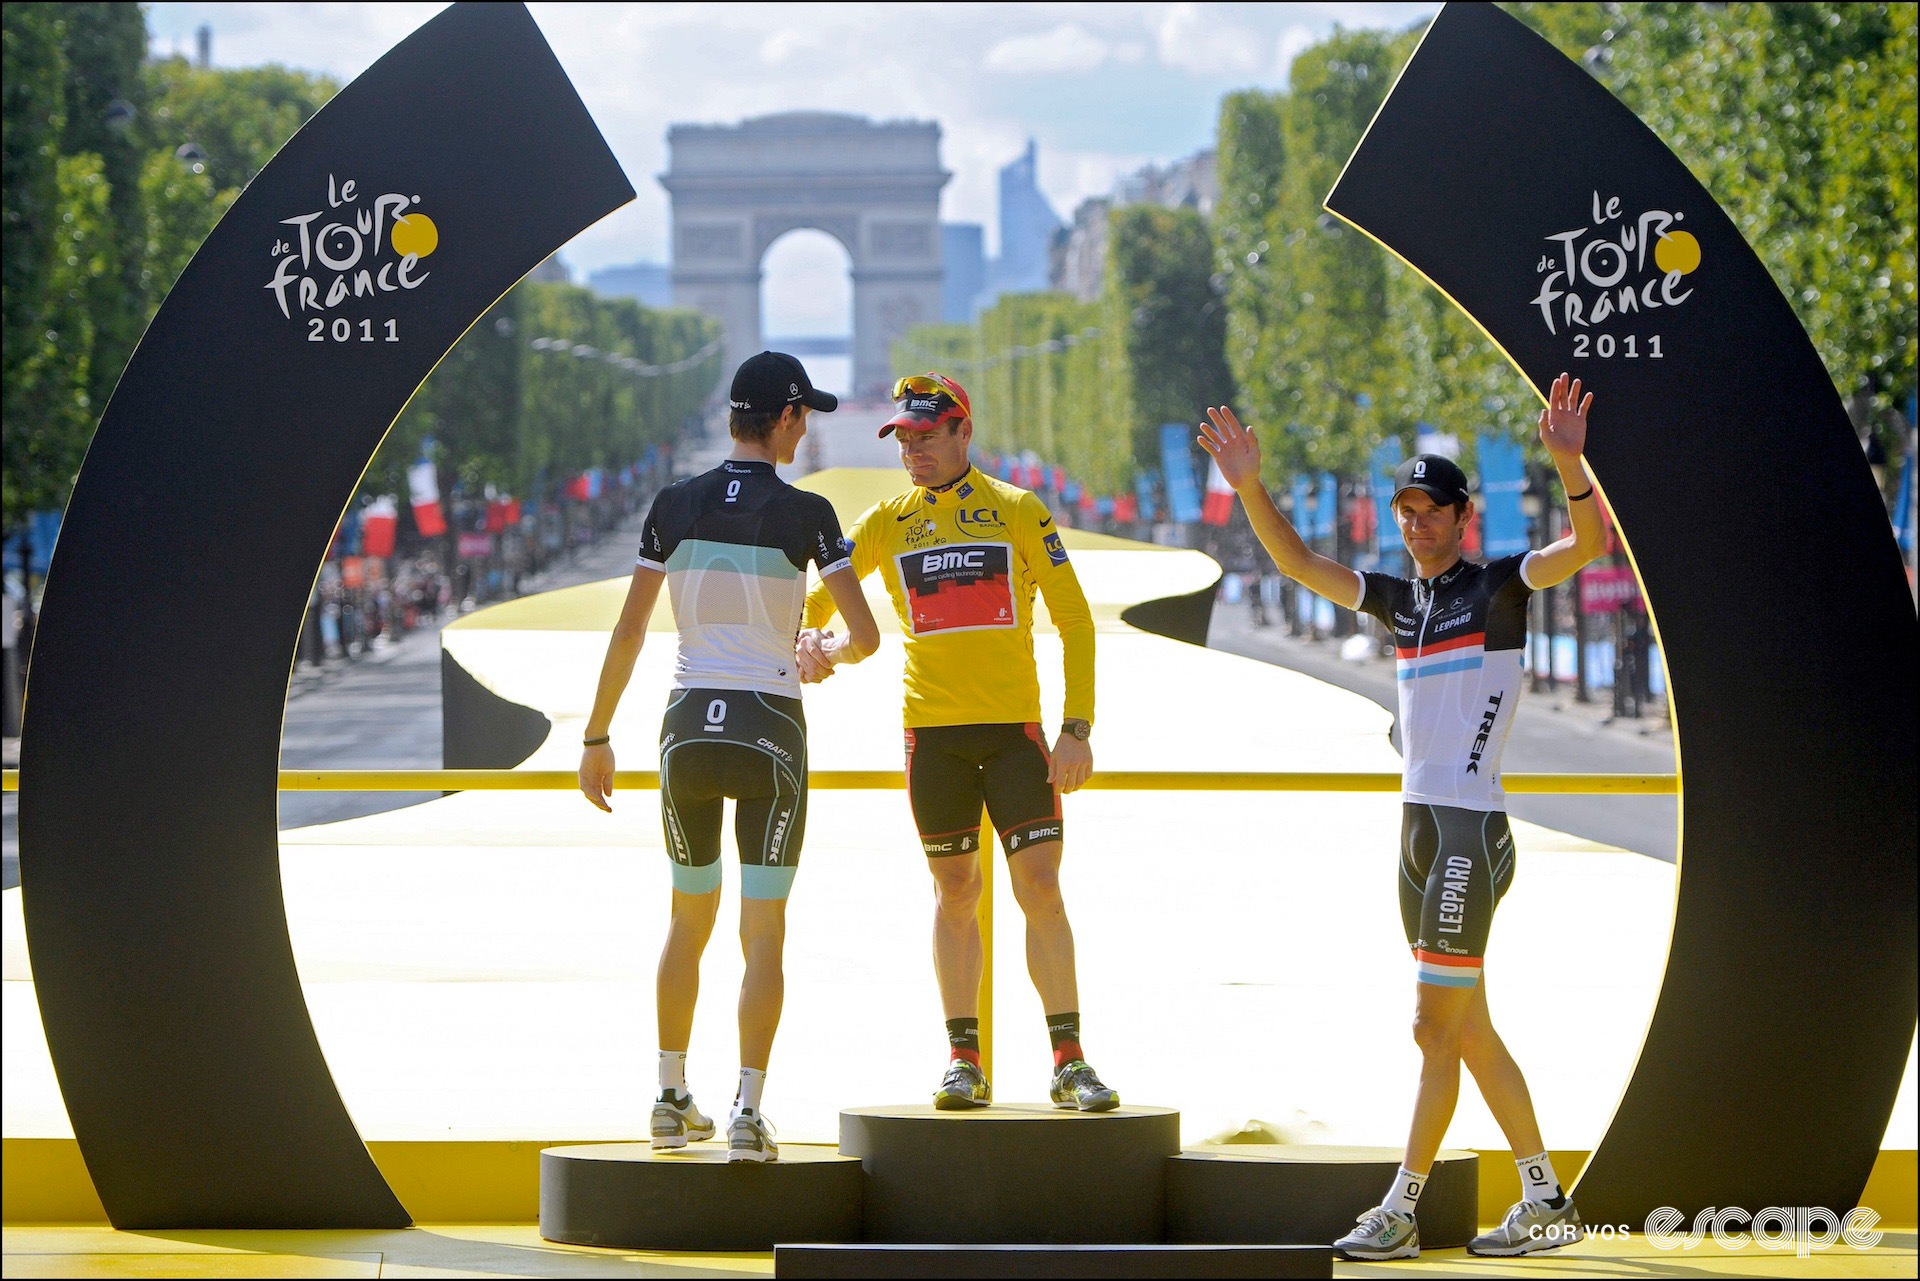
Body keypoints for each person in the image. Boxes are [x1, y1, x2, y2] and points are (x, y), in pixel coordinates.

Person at [1198, 374, 1609, 1261]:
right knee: (1465, 1026)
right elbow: (1302, 566)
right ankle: (1545, 1195)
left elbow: (1587, 543)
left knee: (1432, 1026)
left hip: (1467, 833)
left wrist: (1570, 463)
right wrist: (1248, 487)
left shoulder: (1499, 586)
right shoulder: (1400, 601)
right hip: (1417, 834)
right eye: (1404, 509)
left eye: (1431, 510)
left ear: (1465, 517)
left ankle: (1402, 1204)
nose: (1415, 522)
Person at [577, 351, 880, 1163]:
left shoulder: (672, 503)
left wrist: (595, 736)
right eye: (804, 414)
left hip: (685, 730)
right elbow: (869, 636)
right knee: (764, 932)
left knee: (686, 919)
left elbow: (632, 631)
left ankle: (670, 1098)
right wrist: (823, 650)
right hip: (770, 727)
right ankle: (748, 1111)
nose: (808, 426)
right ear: (784, 419)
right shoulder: (811, 511)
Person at [795, 373, 1119, 1112]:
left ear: (963, 433)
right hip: (933, 738)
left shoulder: (1018, 510)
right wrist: (804, 639)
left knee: (1040, 887)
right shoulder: (887, 519)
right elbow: (815, 595)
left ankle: (1070, 1059)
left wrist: (1077, 728)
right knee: (956, 892)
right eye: (904, 440)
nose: (913, 452)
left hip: (1016, 735)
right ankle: (963, 1058)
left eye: (926, 437)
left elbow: (1075, 619)